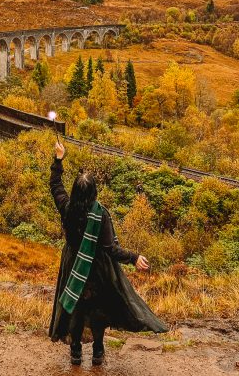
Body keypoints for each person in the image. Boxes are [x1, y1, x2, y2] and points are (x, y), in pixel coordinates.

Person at [48, 142, 167, 366]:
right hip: (96, 269)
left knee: (76, 306)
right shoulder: (99, 215)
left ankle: (75, 351)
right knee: (97, 311)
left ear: (74, 191)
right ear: (94, 193)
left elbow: (55, 185)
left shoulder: (66, 207)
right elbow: (110, 249)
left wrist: (58, 159)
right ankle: (98, 351)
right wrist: (133, 257)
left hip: (73, 265)